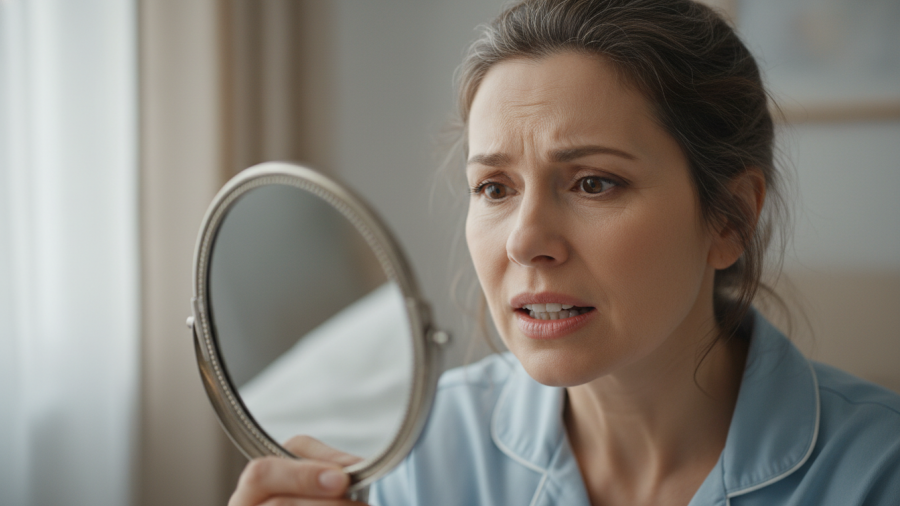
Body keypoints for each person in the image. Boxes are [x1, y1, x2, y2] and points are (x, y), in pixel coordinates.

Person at [227, 1, 900, 505]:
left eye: (593, 183)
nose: (524, 239)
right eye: (494, 187)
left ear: (729, 218)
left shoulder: (876, 471)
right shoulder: (424, 457)